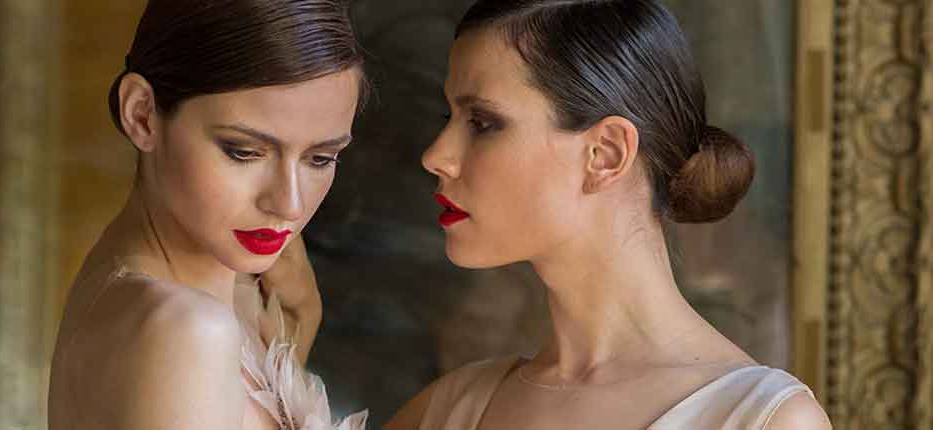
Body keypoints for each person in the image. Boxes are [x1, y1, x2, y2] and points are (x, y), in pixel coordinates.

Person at [387, 1, 831, 429]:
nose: (435, 156)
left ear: (606, 154)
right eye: (448, 117)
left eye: (482, 123)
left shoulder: (763, 421)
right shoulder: (450, 409)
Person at [48, 1, 368, 429]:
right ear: (142, 114)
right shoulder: (187, 331)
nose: (289, 204)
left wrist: (296, 338)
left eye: (320, 158)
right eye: (244, 152)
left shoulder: (163, 295)